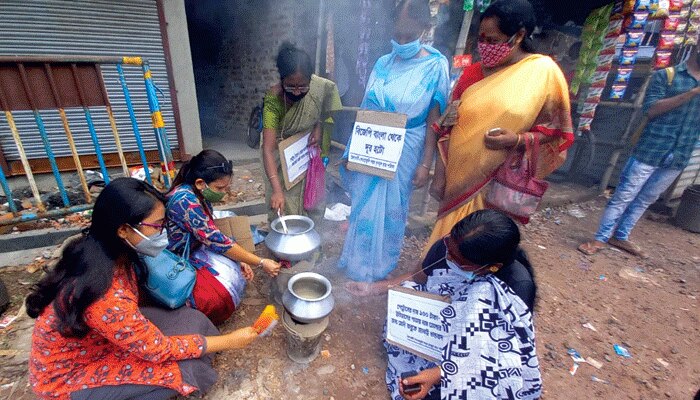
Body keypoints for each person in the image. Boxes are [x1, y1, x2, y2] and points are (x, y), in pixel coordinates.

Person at [26, 178, 260, 400]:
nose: (163, 232)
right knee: (188, 370)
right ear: (123, 230)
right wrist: (232, 340)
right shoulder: (105, 297)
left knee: (192, 319)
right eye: (157, 226)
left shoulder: (112, 252)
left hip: (103, 339)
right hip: (71, 376)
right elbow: (157, 349)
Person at [426, 0, 574, 253]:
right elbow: (448, 126)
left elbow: (557, 129)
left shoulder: (543, 73)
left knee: (478, 244)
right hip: (458, 178)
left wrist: (516, 140)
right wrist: (439, 176)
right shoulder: (472, 73)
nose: (484, 46)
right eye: (481, 38)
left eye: (492, 40)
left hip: (497, 182)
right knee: (445, 241)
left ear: (519, 35)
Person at [350, 210, 540, 399]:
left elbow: (497, 353)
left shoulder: (516, 287)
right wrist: (374, 288)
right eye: (449, 248)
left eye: (459, 262)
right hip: (437, 331)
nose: (448, 257)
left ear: (492, 267)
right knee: (408, 292)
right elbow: (418, 278)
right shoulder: (448, 246)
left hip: (477, 357)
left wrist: (437, 375)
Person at [338, 0, 450, 282]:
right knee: (363, 203)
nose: (401, 42)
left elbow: (433, 120)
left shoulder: (435, 66)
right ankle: (355, 260)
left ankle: (378, 267)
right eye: (397, 35)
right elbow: (366, 109)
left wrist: (426, 163)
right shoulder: (382, 63)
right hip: (372, 141)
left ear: (425, 29)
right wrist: (353, 150)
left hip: (407, 146)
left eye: (409, 36)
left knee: (391, 209)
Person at [579, 46, 700, 258]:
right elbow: (651, 110)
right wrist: (691, 93)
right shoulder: (667, 76)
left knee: (647, 198)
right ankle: (600, 238)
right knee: (623, 196)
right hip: (651, 148)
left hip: (680, 153)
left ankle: (621, 236)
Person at [166, 150, 280, 324]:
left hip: (194, 247)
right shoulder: (185, 202)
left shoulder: (199, 195)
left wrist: (240, 259)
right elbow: (218, 241)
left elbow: (214, 237)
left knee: (236, 271)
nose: (225, 193)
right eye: (220, 188)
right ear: (200, 183)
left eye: (226, 187)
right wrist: (261, 262)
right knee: (216, 299)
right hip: (174, 259)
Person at [262, 41, 342, 222]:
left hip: (306, 153)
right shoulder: (273, 101)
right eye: (290, 86)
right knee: (285, 204)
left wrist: (318, 127)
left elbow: (324, 110)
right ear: (282, 79)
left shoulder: (319, 87)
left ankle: (312, 240)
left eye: (302, 86)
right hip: (280, 159)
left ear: (311, 80)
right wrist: (276, 189)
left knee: (312, 197)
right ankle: (286, 246)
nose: (297, 92)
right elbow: (267, 149)